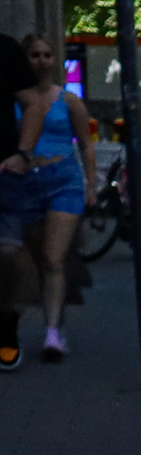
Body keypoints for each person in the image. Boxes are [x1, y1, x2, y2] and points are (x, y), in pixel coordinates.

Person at [13, 36, 98, 362]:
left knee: (52, 259)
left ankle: (51, 334)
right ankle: (54, 319)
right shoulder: (14, 101)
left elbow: (88, 146)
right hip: (27, 184)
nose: (42, 61)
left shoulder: (68, 101)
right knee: (38, 260)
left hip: (63, 181)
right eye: (35, 55)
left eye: (48, 55)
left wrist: (90, 185)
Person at [0, 33, 43, 371]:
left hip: (3, 168)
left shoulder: (5, 48)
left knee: (7, 253)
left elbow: (33, 103)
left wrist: (23, 153)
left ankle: (7, 321)